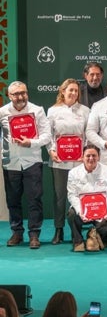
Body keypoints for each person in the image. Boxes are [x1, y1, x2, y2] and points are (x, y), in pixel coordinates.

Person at [0, 81, 52, 248]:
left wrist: (30, 142)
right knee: (13, 199)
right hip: (10, 162)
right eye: (16, 94)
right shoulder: (2, 112)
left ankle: (34, 234)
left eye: (23, 93)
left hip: (32, 161)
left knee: (34, 199)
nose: (20, 96)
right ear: (9, 96)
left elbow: (46, 136)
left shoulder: (37, 110)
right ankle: (17, 232)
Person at [46, 78, 90, 245]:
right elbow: (48, 134)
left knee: (79, 195)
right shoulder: (52, 111)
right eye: (70, 90)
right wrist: (51, 151)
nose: (73, 93)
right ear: (62, 91)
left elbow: (87, 134)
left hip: (79, 161)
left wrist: (85, 152)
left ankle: (76, 230)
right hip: (59, 161)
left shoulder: (85, 110)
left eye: (76, 91)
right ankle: (59, 229)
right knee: (59, 196)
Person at [67, 145, 107, 251]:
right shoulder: (73, 173)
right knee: (72, 214)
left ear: (99, 157)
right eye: (88, 156)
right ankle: (78, 241)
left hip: (103, 211)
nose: (91, 158)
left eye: (94, 155)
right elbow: (72, 195)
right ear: (82, 157)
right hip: (84, 211)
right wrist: (81, 211)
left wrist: (106, 210)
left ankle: (95, 234)